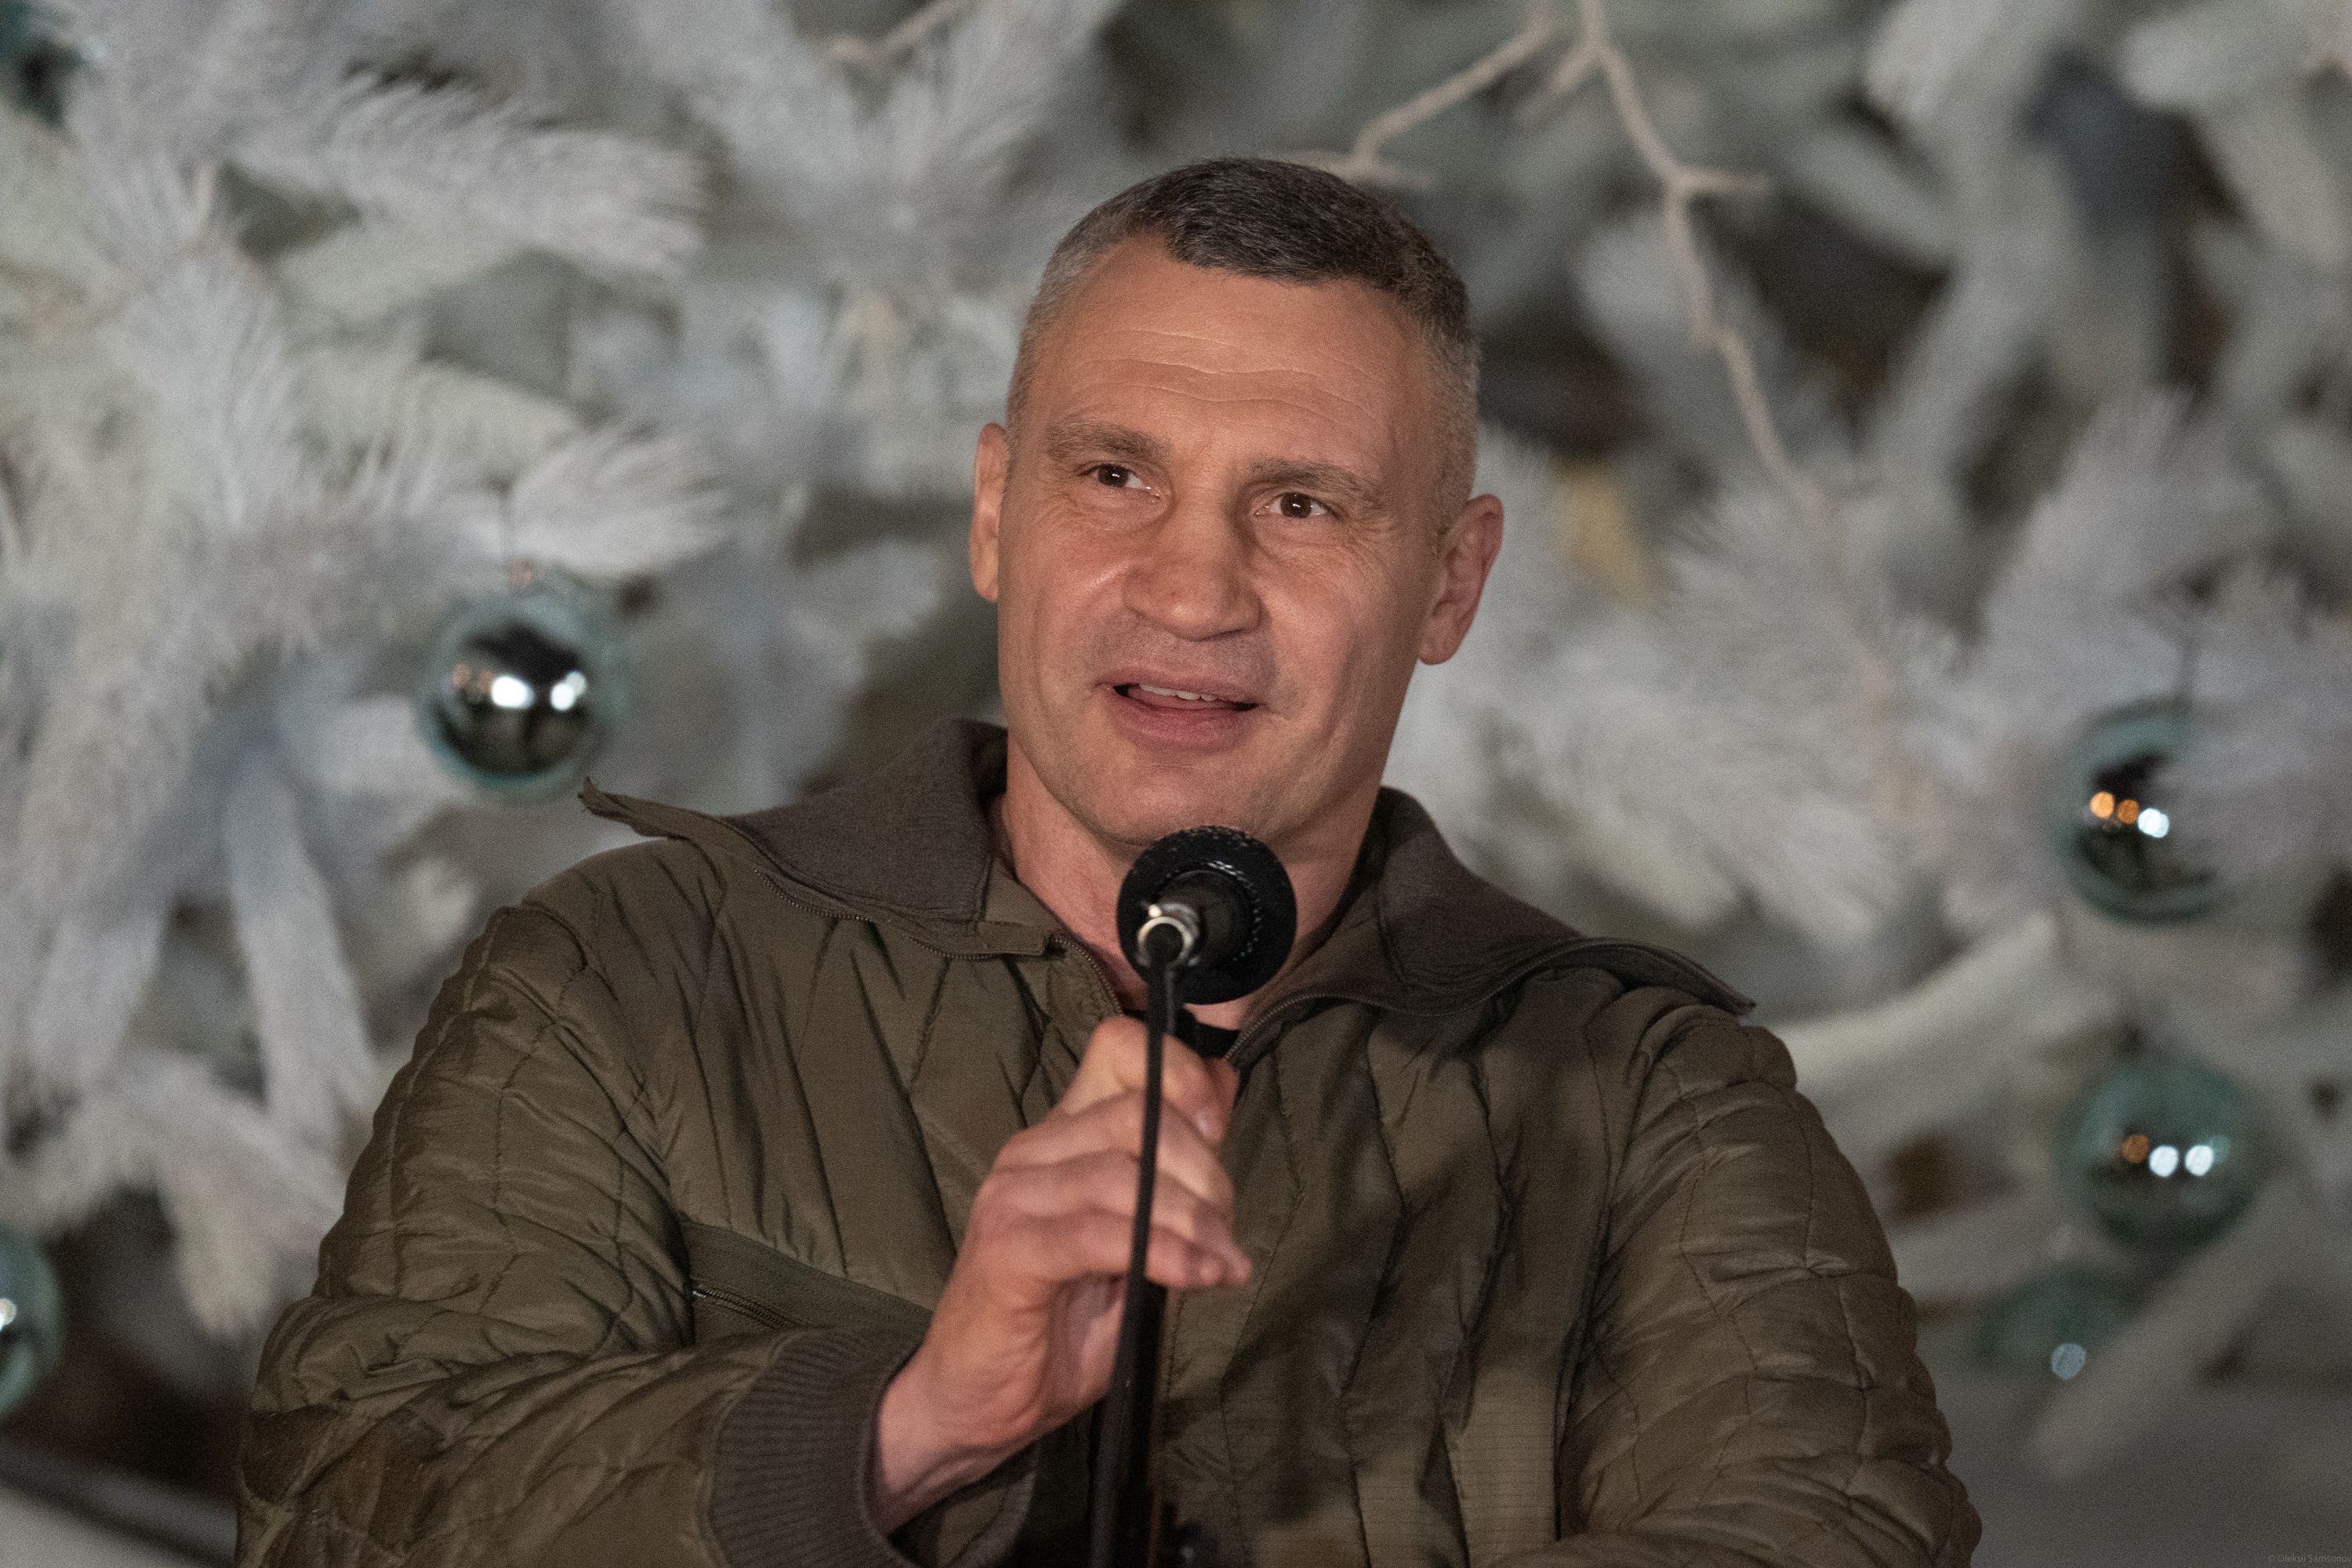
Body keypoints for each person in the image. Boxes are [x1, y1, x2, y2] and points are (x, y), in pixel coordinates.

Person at [238, 158, 1977, 1568]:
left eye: (1301, 504)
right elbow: (350, 1510)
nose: (1193, 588)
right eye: (1117, 475)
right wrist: (907, 1424)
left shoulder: (1653, 1094)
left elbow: (1833, 1530)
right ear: (997, 514)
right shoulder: (623, 981)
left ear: (1450, 582)